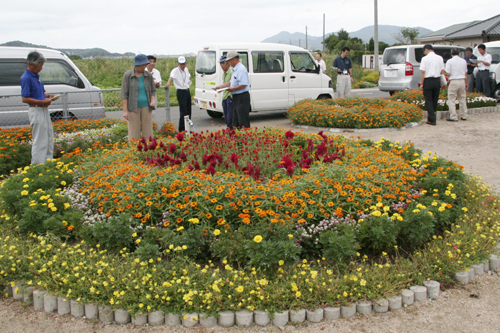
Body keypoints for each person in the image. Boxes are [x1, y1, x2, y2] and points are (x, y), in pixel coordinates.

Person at [20, 51, 55, 164]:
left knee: (48, 137)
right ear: (31, 64)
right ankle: (38, 165)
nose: (41, 68)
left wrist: (48, 96)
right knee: (40, 140)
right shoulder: (26, 78)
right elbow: (25, 98)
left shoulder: (35, 77)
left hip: (43, 109)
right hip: (36, 109)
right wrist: (41, 102)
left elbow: (37, 93)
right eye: (40, 65)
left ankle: (48, 162)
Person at [120, 54, 156, 142]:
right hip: (133, 107)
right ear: (137, 65)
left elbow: (153, 90)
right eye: (142, 65)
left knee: (148, 131)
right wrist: (125, 111)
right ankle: (134, 151)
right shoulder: (128, 75)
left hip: (146, 106)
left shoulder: (148, 75)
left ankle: (149, 149)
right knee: (133, 131)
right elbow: (124, 94)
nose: (144, 67)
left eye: (145, 65)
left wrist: (152, 100)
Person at [216, 51, 250, 129]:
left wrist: (233, 89)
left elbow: (244, 84)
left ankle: (245, 137)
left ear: (233, 59)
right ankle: (238, 137)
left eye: (229, 61)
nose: (228, 62)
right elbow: (231, 82)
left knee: (243, 120)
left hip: (242, 97)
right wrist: (221, 87)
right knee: (236, 120)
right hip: (236, 97)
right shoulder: (235, 69)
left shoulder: (241, 69)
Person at [420, 44, 445, 126]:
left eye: (424, 51)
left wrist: (422, 83)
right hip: (437, 80)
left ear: (427, 49)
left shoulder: (425, 59)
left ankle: (432, 119)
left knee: (428, 100)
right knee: (435, 99)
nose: (425, 52)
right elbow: (442, 71)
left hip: (428, 80)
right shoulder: (440, 58)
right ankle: (431, 118)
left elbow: (423, 71)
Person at [166, 56, 192, 132]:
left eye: (183, 64)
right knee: (183, 111)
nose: (182, 66)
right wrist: (168, 83)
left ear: (185, 63)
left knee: (188, 111)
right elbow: (171, 77)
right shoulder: (175, 70)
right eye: (180, 64)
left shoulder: (186, 70)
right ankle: (182, 129)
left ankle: (187, 128)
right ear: (178, 64)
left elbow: (188, 78)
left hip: (187, 90)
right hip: (181, 91)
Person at [444, 48, 468, 121]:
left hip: (454, 81)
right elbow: (466, 73)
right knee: (462, 99)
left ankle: (453, 116)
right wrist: (466, 82)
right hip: (462, 80)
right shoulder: (463, 61)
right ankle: (464, 115)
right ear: (459, 53)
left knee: (451, 99)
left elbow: (448, 73)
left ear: (451, 53)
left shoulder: (450, 61)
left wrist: (443, 73)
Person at [214, 55, 234, 129]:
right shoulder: (224, 73)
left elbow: (231, 83)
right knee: (226, 118)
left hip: (230, 96)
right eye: (221, 63)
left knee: (230, 118)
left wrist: (220, 87)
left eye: (223, 63)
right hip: (225, 96)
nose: (222, 65)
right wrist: (220, 89)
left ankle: (231, 133)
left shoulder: (231, 71)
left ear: (227, 63)